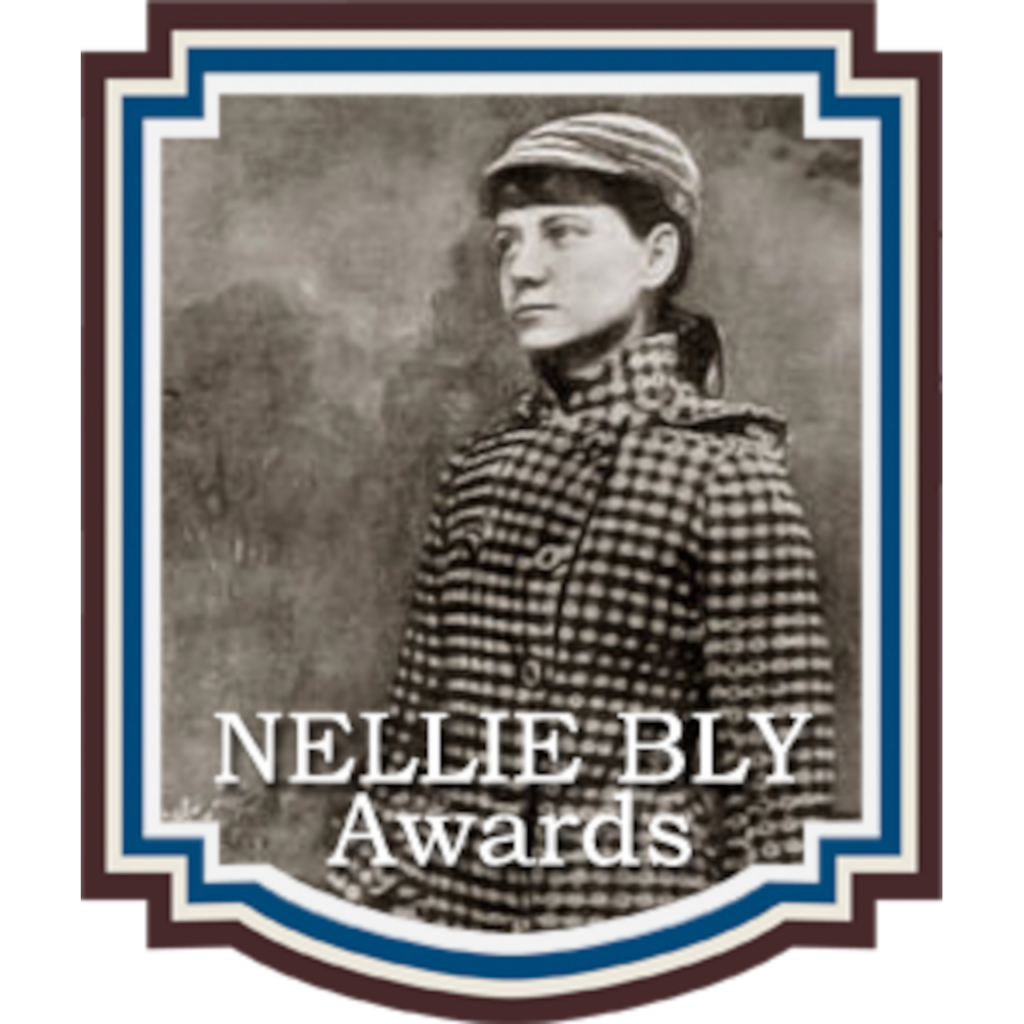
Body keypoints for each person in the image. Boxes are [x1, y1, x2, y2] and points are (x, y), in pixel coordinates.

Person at [327, 112, 837, 931]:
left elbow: (779, 787)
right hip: (455, 916)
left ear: (656, 257)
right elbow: (413, 741)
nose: (523, 269)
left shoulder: (726, 472)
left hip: (639, 919)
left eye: (562, 233)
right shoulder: (479, 470)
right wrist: (359, 905)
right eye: (508, 243)